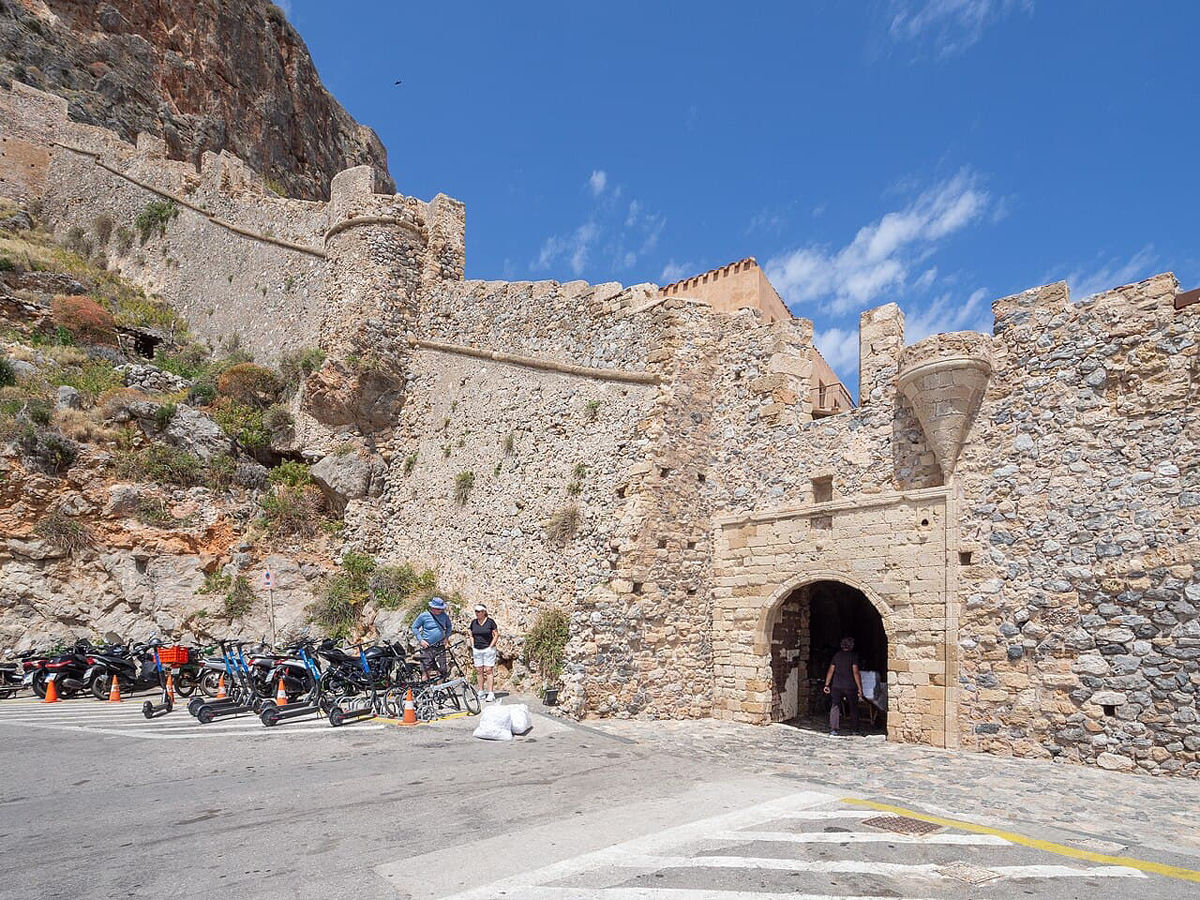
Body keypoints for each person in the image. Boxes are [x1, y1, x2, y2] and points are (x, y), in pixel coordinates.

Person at [823, 636, 863, 736]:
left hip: (836, 685)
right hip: (850, 686)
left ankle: (833, 729)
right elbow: (855, 672)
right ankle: (854, 730)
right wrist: (859, 688)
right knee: (853, 706)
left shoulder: (837, 656)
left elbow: (831, 670)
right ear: (851, 646)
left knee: (835, 706)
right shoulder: (853, 656)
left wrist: (827, 684)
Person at [411, 596, 452, 678]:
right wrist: (421, 640)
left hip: (440, 646)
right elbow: (414, 627)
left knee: (442, 669)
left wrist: (446, 637)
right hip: (427, 647)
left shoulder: (444, 616)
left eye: (441, 609)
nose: (440, 610)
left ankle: (440, 689)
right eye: (438, 609)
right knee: (426, 669)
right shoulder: (424, 616)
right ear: (432, 607)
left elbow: (449, 626)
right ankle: (426, 689)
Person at [469, 604, 499, 701]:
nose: (477, 613)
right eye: (476, 611)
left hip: (488, 649)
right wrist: (472, 645)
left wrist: (491, 646)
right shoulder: (473, 622)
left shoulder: (490, 622)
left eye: (479, 611)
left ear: (484, 612)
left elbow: (496, 634)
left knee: (488, 670)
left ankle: (490, 693)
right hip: (477, 649)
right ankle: (481, 691)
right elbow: (471, 634)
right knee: (479, 670)